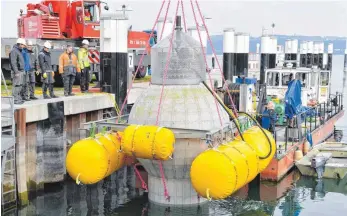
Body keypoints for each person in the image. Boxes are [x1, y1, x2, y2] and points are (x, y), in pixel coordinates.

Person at [9, 38, 26, 104]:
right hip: (17, 72)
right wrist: (16, 72)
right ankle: (15, 100)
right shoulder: (14, 51)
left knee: (20, 85)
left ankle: (18, 98)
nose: (23, 46)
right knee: (16, 85)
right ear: (19, 44)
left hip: (21, 71)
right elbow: (13, 62)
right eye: (23, 45)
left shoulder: (19, 50)